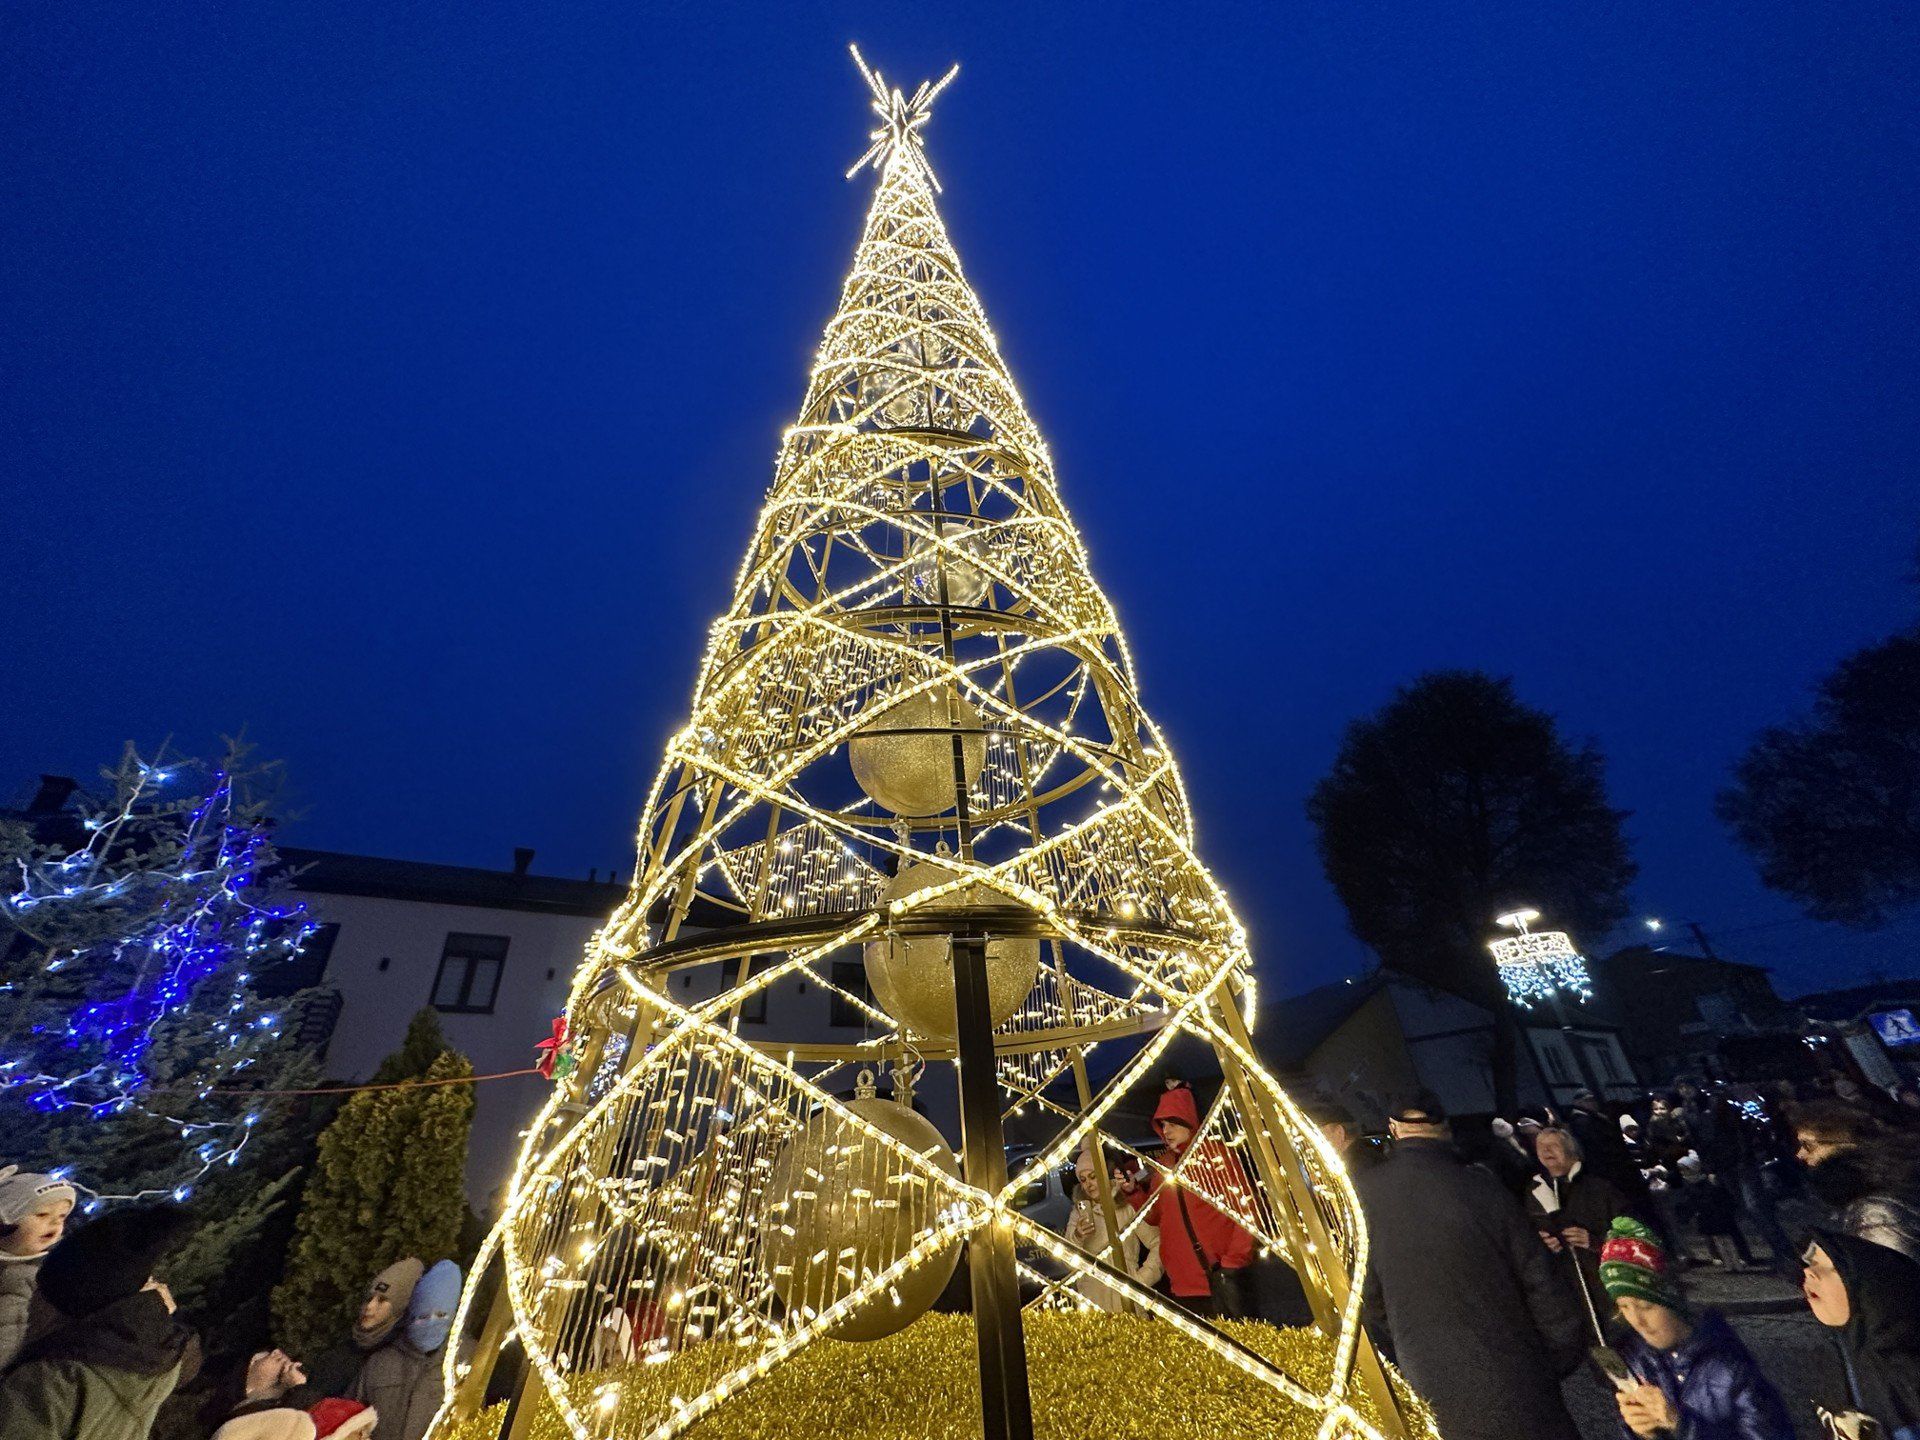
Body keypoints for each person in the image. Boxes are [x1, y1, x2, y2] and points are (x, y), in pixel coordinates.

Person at [1355, 1091, 1588, 1440]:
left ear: (1393, 1129)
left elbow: (1369, 1297)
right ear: (1444, 1128)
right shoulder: (1481, 1185)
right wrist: (1556, 1355)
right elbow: (1538, 1277)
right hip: (1516, 1373)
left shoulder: (1364, 1195)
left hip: (1431, 1384)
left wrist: (1407, 1355)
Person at [0, 1203, 198, 1440]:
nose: (32, 1303)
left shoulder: (49, 1382)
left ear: (62, 1308)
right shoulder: (157, 1358)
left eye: (39, 1293)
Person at [1597, 1216, 1794, 1440]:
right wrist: (1644, 1432)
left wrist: (1681, 1426)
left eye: (1646, 1306)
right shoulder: (1639, 1362)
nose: (1637, 1321)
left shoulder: (1728, 1366)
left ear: (1674, 1300)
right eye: (1624, 1307)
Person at [1136, 1082, 1255, 1318]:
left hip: (1219, 1277)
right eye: (1163, 1125)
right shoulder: (1164, 1166)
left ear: (1188, 1121)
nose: (1166, 1131)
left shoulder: (1217, 1155)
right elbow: (1153, 1217)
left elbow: (1246, 1210)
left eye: (1172, 1124)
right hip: (1181, 1283)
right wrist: (1134, 1193)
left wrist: (1233, 1260)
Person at [1802, 1229, 1920, 1439]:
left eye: (1832, 1267)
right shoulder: (1831, 1355)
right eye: (1811, 1263)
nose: (1809, 1271)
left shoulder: (1905, 1371)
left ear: (1873, 1291)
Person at [1527, 1125, 1635, 1327]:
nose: (1546, 1150)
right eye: (1540, 1146)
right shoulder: (1534, 1194)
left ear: (1571, 1150)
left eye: (1553, 1145)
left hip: (1611, 1287)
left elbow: (1634, 1237)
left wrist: (1596, 1242)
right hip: (1572, 1295)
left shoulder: (1600, 1188)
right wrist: (1542, 1244)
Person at [1794, 1100, 1920, 1266]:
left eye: (1808, 1145)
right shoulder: (1895, 1178)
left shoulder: (1875, 1213)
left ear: (1847, 1144)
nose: (1800, 1154)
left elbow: (1893, 1275)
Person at [349, 1258, 460, 1440]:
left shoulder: (467, 1362)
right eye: (422, 1317)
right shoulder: (380, 1363)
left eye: (441, 1315)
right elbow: (352, 1416)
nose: (431, 1323)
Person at [1059, 1141, 1159, 1311]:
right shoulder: (1079, 1212)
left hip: (1127, 1300)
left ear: (1105, 1174)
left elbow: (1157, 1242)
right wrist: (1077, 1236)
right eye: (1083, 1180)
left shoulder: (1126, 1206)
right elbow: (1067, 1260)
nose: (1088, 1184)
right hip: (1093, 1302)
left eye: (1093, 1176)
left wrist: (1141, 1281)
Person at [0, 1166, 77, 1372]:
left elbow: (8, 1340)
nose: (54, 1223)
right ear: (6, 1222)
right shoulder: (13, 1270)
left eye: (62, 1216)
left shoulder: (23, 1276)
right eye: (42, 1214)